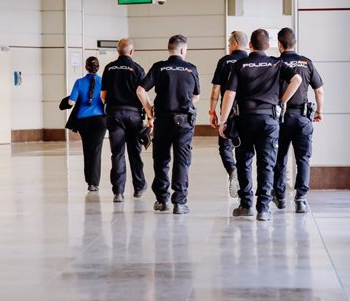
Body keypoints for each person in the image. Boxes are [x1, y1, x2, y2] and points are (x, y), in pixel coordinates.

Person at [217, 29, 302, 222]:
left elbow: (229, 94)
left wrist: (223, 121)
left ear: (251, 46)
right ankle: (263, 208)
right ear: (268, 45)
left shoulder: (240, 64)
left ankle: (246, 205)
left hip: (245, 120)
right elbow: (296, 79)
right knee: (266, 164)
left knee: (244, 162)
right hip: (269, 121)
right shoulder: (277, 63)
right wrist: (282, 101)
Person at [137, 34, 200, 215]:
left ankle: (162, 200)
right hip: (184, 122)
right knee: (182, 160)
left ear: (169, 49)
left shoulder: (159, 67)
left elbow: (141, 90)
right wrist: (185, 103)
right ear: (182, 50)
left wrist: (149, 110)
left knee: (161, 159)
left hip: (163, 120)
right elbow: (196, 96)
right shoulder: (191, 69)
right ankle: (179, 203)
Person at [272, 28, 324, 213]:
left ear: (279, 44)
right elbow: (319, 90)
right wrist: (319, 111)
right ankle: (300, 199)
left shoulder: (276, 63)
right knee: (303, 159)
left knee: (280, 157)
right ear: (295, 43)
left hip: (281, 118)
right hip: (303, 118)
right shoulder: (306, 63)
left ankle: (279, 196)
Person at [100, 38, 147, 202]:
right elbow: (142, 93)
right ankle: (139, 188)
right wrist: (149, 112)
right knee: (135, 152)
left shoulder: (109, 68)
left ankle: (118, 192)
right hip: (133, 115)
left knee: (117, 153)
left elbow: (103, 95)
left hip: (114, 114)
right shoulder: (137, 69)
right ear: (132, 52)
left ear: (118, 51)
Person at [209, 30, 249, 198]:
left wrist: (212, 111)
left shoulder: (224, 61)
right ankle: (245, 184)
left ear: (234, 44)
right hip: (249, 113)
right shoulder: (250, 61)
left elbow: (216, 90)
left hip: (228, 111)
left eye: (228, 43)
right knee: (246, 149)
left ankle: (232, 170)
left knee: (224, 145)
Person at [69, 56, 107, 192]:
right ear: (99, 67)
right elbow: (106, 100)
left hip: (83, 121)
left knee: (87, 149)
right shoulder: (103, 81)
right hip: (100, 121)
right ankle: (94, 183)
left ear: (85, 67)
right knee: (96, 151)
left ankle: (89, 181)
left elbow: (71, 102)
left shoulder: (79, 82)